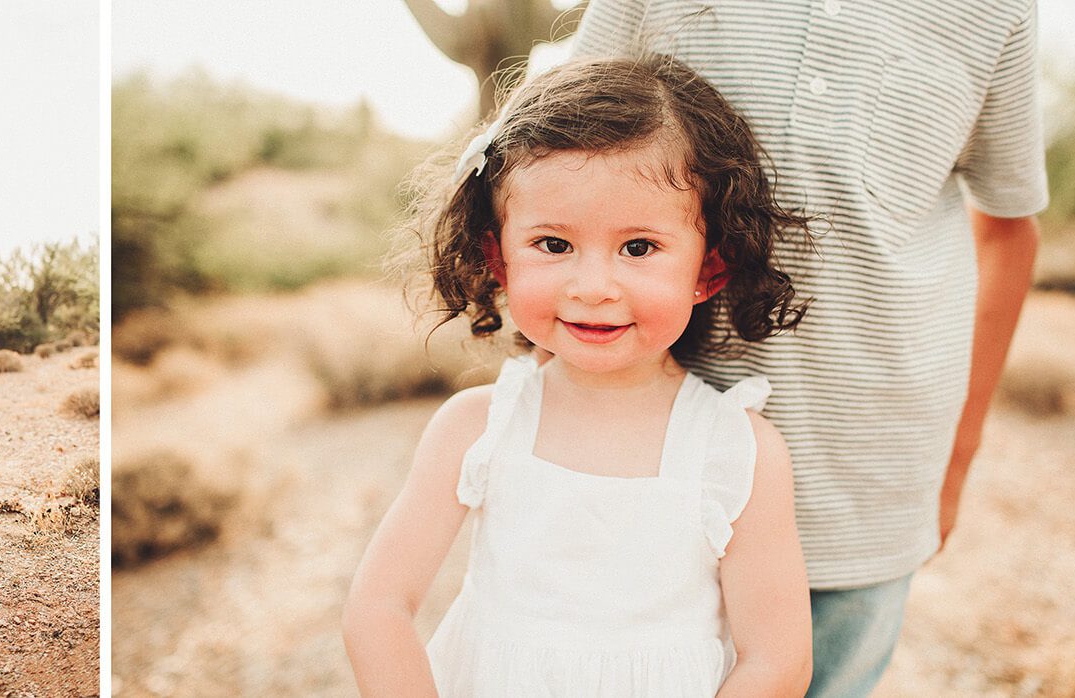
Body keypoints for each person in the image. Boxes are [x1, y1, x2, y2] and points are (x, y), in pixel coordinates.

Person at [565, 3, 1049, 693]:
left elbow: (1009, 229)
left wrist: (958, 454)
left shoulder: (999, 10)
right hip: (643, 452)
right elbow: (547, 145)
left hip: (867, 472)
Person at [342, 55, 813, 696]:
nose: (593, 289)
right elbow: (379, 607)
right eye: (555, 245)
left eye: (639, 248)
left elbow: (777, 660)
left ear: (710, 268)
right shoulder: (475, 427)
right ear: (498, 257)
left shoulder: (738, 448)